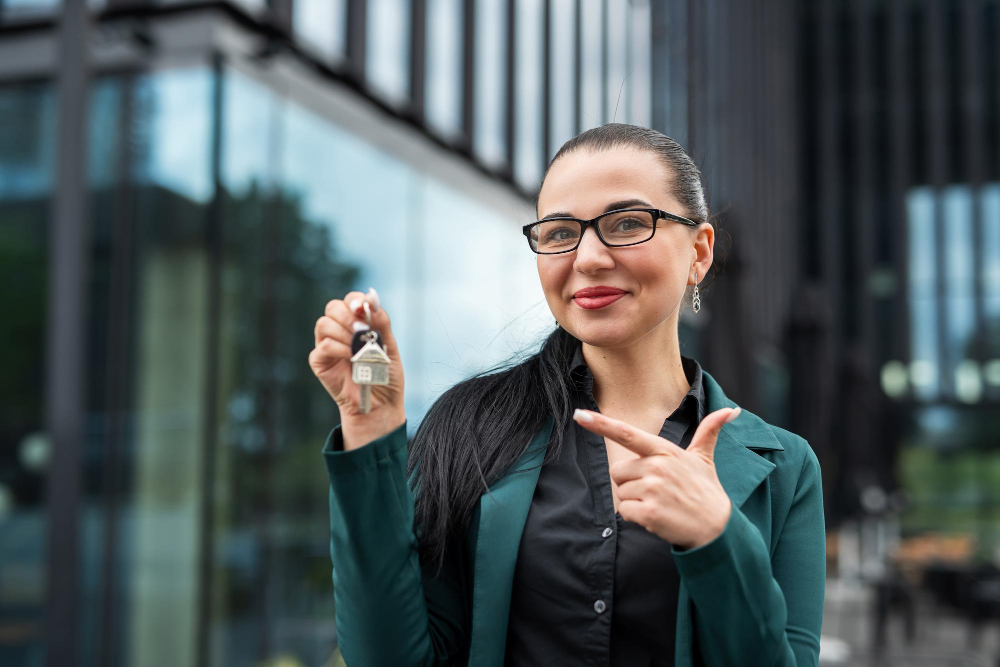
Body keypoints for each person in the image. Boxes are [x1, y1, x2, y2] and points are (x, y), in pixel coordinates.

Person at [309, 123, 826, 667]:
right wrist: (369, 428)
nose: (589, 257)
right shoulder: (468, 430)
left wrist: (718, 541)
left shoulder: (786, 469)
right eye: (559, 233)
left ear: (699, 251)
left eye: (627, 223)